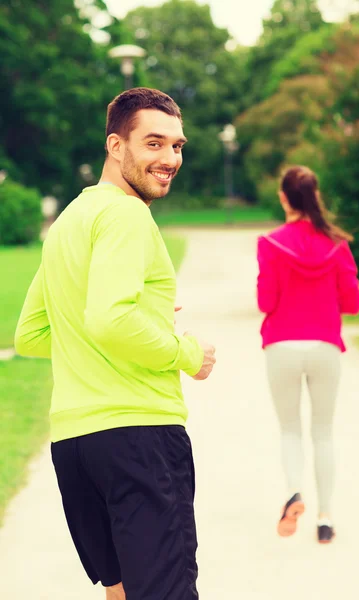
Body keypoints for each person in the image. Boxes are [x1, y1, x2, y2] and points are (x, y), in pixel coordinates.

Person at [14, 87, 216, 599]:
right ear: (115, 145)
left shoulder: (66, 224)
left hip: (77, 446)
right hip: (139, 437)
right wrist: (187, 354)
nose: (169, 158)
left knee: (122, 593)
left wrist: (136, 317)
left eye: (177, 146)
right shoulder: (127, 215)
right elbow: (108, 321)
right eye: (154, 143)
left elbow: (33, 335)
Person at [257, 165, 359, 544]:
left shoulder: (270, 243)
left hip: (281, 345)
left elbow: (265, 300)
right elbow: (353, 303)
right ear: (314, 196)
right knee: (323, 431)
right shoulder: (337, 244)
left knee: (289, 429)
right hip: (324, 346)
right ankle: (325, 517)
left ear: (284, 197)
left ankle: (294, 493)